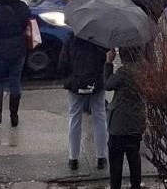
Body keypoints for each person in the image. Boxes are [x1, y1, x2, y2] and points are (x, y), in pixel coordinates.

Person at [60, 33, 109, 171]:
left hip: (76, 84)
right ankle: (101, 157)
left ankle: (73, 158)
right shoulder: (99, 39)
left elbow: (63, 64)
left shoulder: (70, 39)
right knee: (99, 117)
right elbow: (103, 61)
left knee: (74, 117)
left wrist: (68, 78)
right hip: (96, 83)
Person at [0, 0, 32, 128]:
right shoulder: (23, 7)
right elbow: (26, 25)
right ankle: (14, 115)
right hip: (19, 50)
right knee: (15, 82)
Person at [105, 47, 147, 189]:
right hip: (136, 123)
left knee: (116, 163)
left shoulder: (124, 72)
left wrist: (108, 62)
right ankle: (136, 186)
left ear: (123, 55)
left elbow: (108, 84)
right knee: (134, 159)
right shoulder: (144, 70)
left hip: (119, 125)